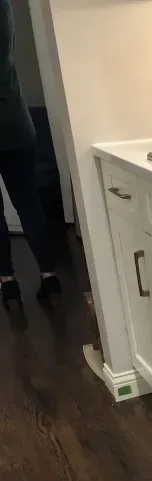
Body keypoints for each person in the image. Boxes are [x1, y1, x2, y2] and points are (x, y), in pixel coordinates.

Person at [0, 0, 61, 309]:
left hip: (13, 123)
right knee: (29, 204)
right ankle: (50, 277)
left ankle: (8, 283)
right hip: (14, 122)